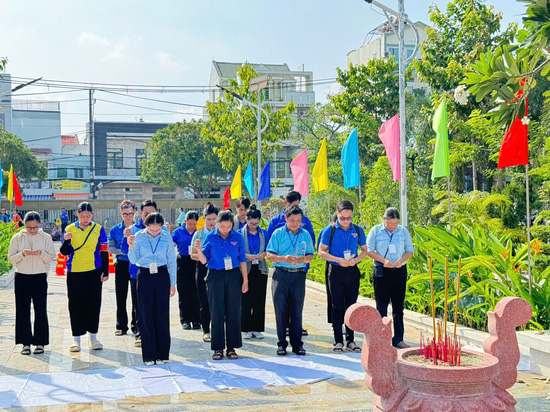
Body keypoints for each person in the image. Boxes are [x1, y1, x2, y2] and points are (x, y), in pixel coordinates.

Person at [195, 210, 248, 361]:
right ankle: (218, 347)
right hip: (215, 275)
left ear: (232, 225)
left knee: (233, 311)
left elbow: (242, 259)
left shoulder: (237, 237)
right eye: (222, 226)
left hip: (233, 275)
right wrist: (199, 250)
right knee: (216, 311)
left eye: (228, 226)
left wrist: (245, 280)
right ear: (217, 224)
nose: (225, 229)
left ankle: (231, 347)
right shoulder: (210, 237)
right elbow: (204, 260)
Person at [318, 201, 368, 353]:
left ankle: (351, 340)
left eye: (349, 218)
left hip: (352, 271)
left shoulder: (357, 230)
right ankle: (338, 340)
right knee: (337, 306)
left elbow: (365, 251)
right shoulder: (330, 230)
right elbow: (321, 252)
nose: (346, 221)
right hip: (336, 270)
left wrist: (355, 260)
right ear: (337, 215)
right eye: (342, 218)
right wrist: (338, 259)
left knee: (351, 306)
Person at [128, 212, 177, 365]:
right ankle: (149, 355)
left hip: (162, 275)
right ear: (146, 226)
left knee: (162, 315)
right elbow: (134, 259)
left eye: (157, 230)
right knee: (146, 314)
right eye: (152, 230)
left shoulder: (166, 236)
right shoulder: (139, 236)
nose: (155, 233)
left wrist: (172, 282)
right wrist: (130, 246)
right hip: (145, 275)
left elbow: (171, 260)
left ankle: (162, 354)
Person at [60, 202, 109, 352]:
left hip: (94, 271)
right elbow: (64, 252)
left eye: (88, 216)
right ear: (77, 214)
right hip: (74, 272)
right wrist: (67, 240)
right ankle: (76, 340)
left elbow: (104, 251)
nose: (85, 219)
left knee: (94, 304)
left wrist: (105, 271)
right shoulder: (69, 228)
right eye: (82, 216)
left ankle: (93, 338)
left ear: (92, 215)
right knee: (75, 305)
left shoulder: (98, 229)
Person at [266, 205, 314, 356]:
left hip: (298, 275)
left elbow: (311, 256)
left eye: (298, 221)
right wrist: (284, 258)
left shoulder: (305, 234)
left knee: (297, 310)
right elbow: (269, 255)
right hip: (281, 274)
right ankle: (281, 344)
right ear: (286, 219)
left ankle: (297, 344)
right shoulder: (278, 233)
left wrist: (303, 259)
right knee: (281, 310)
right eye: (292, 220)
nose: (295, 223)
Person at [8, 211, 56, 355]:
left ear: (39, 225)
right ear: (24, 225)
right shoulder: (17, 238)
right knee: (22, 311)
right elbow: (11, 258)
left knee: (41, 310)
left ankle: (40, 342)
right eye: (29, 227)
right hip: (22, 276)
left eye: (35, 227)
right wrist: (22, 253)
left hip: (40, 277)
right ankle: (25, 343)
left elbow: (51, 257)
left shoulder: (46, 237)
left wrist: (41, 253)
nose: (33, 230)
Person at [366, 207, 414, 349]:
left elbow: (410, 250)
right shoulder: (376, 231)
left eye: (395, 223)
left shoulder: (403, 231)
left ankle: (398, 338)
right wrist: (383, 261)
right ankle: (381, 339)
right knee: (381, 306)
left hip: (399, 270)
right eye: (389, 223)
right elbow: (369, 250)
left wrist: (401, 261)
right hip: (382, 270)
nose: (392, 226)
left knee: (398, 307)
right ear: (384, 219)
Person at [120, 199, 165, 347]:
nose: (149, 216)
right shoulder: (133, 229)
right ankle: (139, 333)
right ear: (141, 213)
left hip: (158, 274)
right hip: (137, 273)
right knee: (139, 305)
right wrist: (127, 239)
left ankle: (154, 334)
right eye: (146, 213)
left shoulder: (161, 229)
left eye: (152, 213)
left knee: (156, 306)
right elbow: (125, 251)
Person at [108, 200, 137, 337]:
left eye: (130, 213)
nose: (128, 216)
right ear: (121, 213)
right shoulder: (115, 229)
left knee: (136, 296)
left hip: (136, 264)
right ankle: (121, 325)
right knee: (121, 295)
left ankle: (136, 325)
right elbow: (110, 247)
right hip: (121, 263)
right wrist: (122, 251)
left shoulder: (139, 228)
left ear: (135, 212)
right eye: (125, 214)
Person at [190, 202, 219, 342]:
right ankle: (206, 330)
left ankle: (218, 329)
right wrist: (203, 258)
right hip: (202, 269)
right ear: (204, 219)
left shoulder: (222, 232)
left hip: (218, 269)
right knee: (204, 301)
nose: (212, 222)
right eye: (209, 219)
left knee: (218, 301)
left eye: (214, 219)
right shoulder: (198, 234)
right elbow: (192, 254)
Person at [240, 205, 269, 340]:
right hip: (245, 269)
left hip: (260, 268)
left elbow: (270, 250)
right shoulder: (240, 234)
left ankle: (257, 328)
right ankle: (245, 328)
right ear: (246, 220)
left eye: (256, 223)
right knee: (245, 299)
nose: (253, 226)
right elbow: (237, 252)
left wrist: (264, 254)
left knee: (259, 299)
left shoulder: (264, 233)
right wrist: (246, 256)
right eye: (251, 223)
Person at [172, 211, 200, 330]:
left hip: (196, 261)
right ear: (185, 222)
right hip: (183, 261)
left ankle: (197, 319)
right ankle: (185, 319)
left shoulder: (199, 233)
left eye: (194, 224)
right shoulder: (178, 232)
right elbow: (170, 245)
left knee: (196, 290)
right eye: (189, 224)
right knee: (184, 291)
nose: (192, 226)